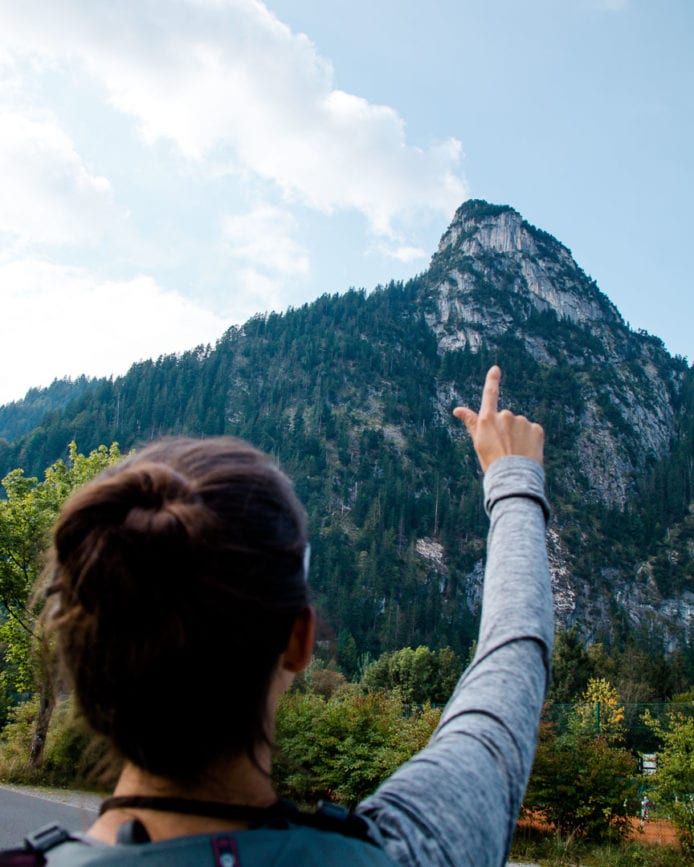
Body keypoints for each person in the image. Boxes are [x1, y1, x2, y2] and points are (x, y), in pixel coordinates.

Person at [21, 365, 552, 866]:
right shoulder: (401, 852)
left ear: (84, 659)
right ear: (299, 640)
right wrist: (513, 480)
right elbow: (508, 681)